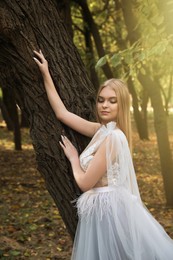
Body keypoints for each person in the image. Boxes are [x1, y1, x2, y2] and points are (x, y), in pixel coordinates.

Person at [33, 50, 173, 260]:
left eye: (112, 101)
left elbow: (85, 183)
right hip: (100, 212)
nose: (104, 105)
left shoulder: (113, 138)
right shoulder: (101, 130)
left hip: (110, 214)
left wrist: (73, 158)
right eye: (101, 100)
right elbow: (62, 114)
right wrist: (45, 73)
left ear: (122, 105)